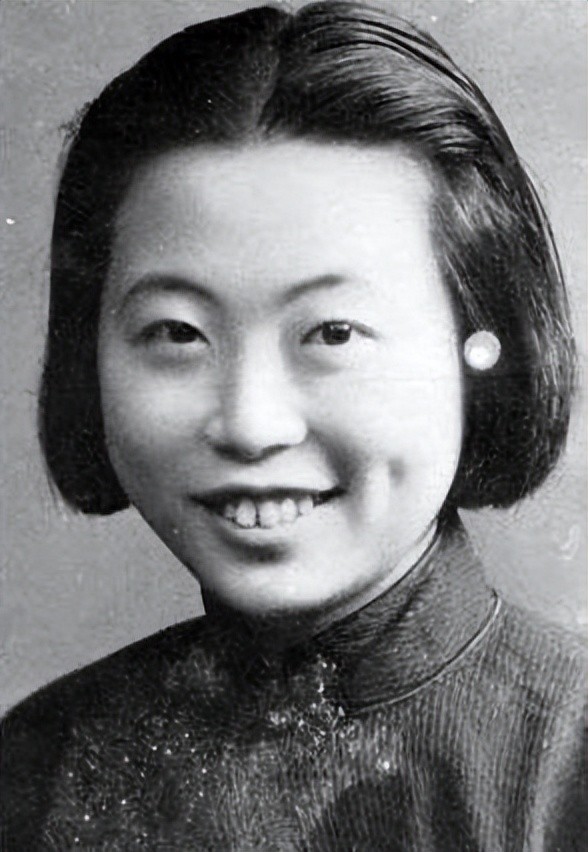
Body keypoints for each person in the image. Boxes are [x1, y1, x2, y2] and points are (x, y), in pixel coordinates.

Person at [1, 2, 585, 849]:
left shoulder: (567, 764)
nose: (250, 424)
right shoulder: (35, 764)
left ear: (479, 344)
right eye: (177, 333)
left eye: (333, 333)